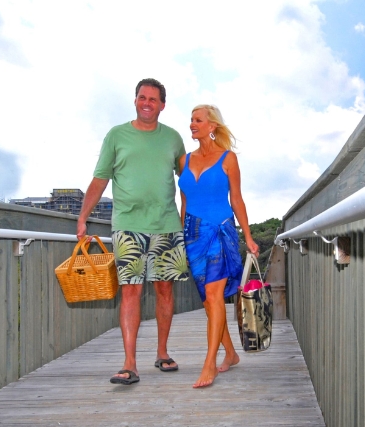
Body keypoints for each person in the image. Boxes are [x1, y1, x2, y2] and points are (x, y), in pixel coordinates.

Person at [77, 78, 189, 385]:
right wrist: (83, 218)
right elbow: (100, 180)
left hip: (167, 225)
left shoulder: (173, 139)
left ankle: (163, 352)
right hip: (127, 226)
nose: (147, 103)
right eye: (142, 97)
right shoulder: (116, 136)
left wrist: (185, 217)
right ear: (135, 100)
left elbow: (188, 182)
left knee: (165, 291)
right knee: (130, 292)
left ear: (162, 105)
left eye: (153, 99)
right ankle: (129, 363)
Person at [178, 105, 258, 388]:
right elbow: (184, 202)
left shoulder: (228, 159)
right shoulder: (183, 160)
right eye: (191, 120)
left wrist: (247, 236)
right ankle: (231, 353)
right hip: (193, 235)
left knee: (214, 296)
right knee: (208, 301)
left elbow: (237, 199)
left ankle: (209, 363)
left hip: (220, 231)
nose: (192, 124)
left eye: (197, 120)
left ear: (212, 126)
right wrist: (180, 235)